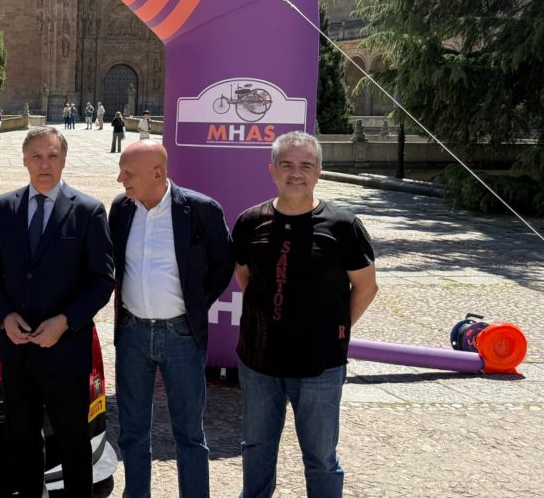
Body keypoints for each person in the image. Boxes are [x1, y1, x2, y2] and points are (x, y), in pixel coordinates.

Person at [233, 131, 379, 498]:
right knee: (256, 447)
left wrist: (336, 327)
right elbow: (243, 275)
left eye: (305, 166)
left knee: (321, 457)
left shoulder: (343, 226)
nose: (296, 173)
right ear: (272, 170)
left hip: (320, 365)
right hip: (259, 362)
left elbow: (366, 287)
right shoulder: (250, 221)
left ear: (319, 172)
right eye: (286, 165)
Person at [0, 126, 115, 498]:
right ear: (24, 160)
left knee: (73, 441)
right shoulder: (4, 208)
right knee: (22, 440)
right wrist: (4, 316)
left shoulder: (88, 211)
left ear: (64, 159)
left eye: (53, 156)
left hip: (65, 351)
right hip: (16, 350)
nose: (44, 164)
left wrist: (65, 322)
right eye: (36, 156)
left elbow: (102, 280)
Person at [110, 140, 234, 498]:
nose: (121, 179)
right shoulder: (121, 209)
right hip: (132, 334)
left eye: (128, 173)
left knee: (189, 433)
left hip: (181, 335)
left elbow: (223, 264)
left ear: (157, 173)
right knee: (132, 431)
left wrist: (194, 304)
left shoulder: (200, 209)